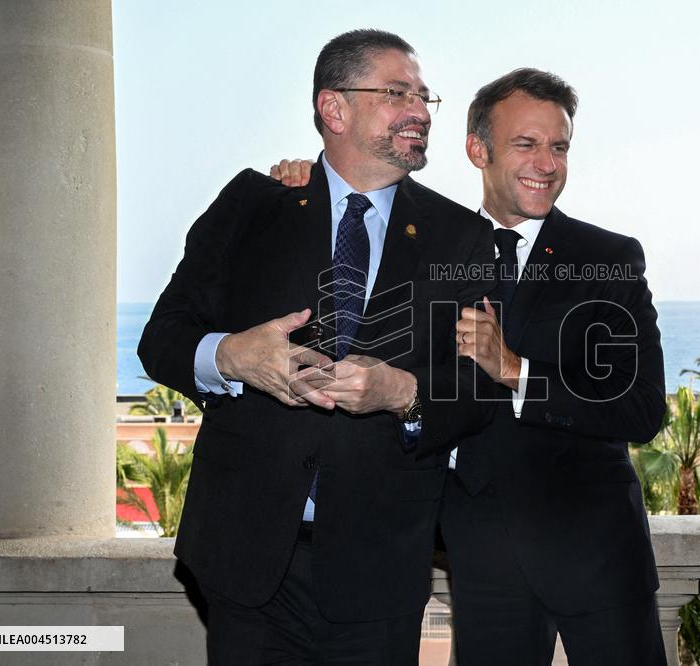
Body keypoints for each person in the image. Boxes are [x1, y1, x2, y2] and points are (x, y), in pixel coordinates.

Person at [272, 68, 667, 666]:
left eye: (559, 147)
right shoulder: (433, 243)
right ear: (477, 149)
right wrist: (308, 185)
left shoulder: (608, 257)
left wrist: (516, 371)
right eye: (526, 144)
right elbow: (351, 232)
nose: (547, 163)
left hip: (597, 554)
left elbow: (640, 409)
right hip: (478, 558)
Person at [138, 29, 494, 665]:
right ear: (334, 108)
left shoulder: (461, 236)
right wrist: (231, 356)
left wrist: (403, 394)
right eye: (396, 93)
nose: (419, 111)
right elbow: (161, 338)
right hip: (246, 560)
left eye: (423, 97)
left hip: (380, 566)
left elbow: (482, 389)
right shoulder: (254, 204)